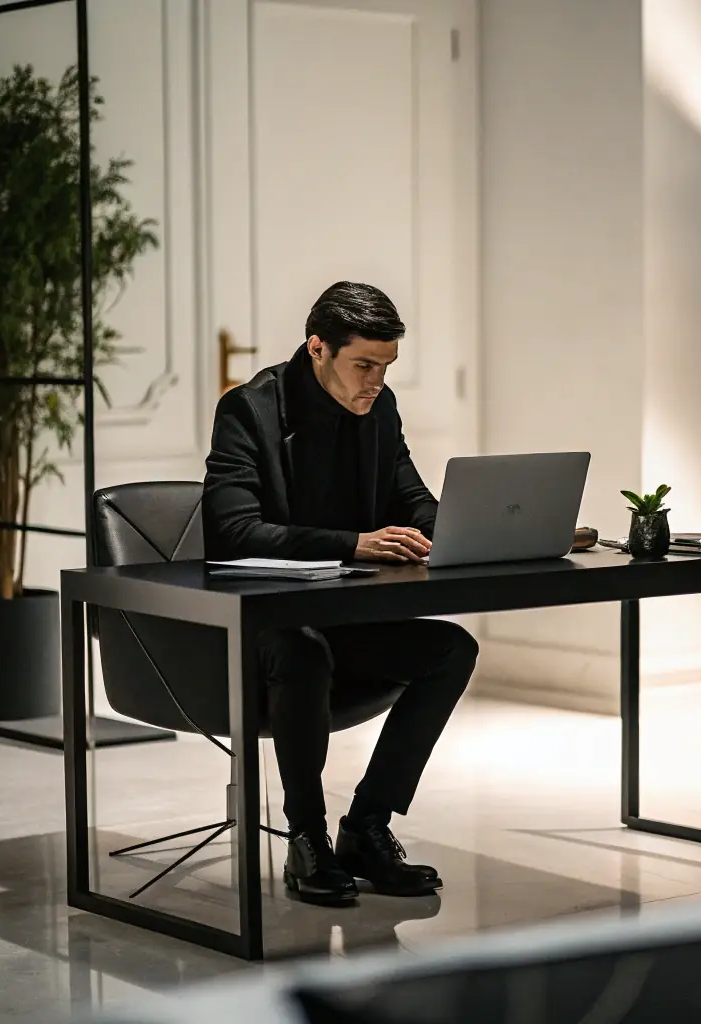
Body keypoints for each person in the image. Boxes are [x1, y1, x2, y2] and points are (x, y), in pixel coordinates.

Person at [203, 281, 478, 906]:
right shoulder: (248, 410)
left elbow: (412, 501)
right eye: (363, 365)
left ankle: (366, 828)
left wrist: (477, 531)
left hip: (342, 618)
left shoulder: (378, 408)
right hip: (259, 627)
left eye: (385, 367)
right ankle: (307, 841)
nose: (375, 382)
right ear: (317, 347)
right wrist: (352, 543)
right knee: (302, 652)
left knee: (450, 650)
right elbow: (233, 530)